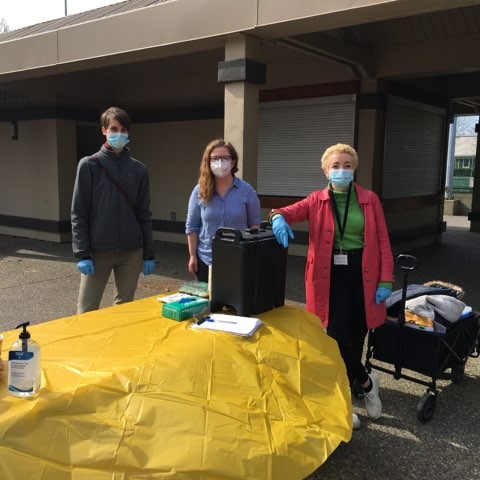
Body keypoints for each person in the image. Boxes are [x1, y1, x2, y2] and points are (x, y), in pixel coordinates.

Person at [268, 143, 394, 430]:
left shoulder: (370, 200)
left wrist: (386, 278)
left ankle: (348, 393)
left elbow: (384, 242)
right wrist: (276, 218)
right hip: (330, 276)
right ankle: (367, 382)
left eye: (347, 165)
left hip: (364, 272)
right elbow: (284, 212)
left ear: (354, 169)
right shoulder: (316, 200)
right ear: (325, 170)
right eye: (335, 166)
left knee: (357, 333)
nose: (341, 170)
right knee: (337, 335)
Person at [71, 106, 155, 314]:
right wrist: (82, 254)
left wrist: (148, 254)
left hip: (131, 252)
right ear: (104, 130)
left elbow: (144, 214)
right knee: (87, 311)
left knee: (123, 311)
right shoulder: (89, 165)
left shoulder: (138, 170)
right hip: (98, 251)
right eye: (114, 129)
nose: (119, 134)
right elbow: (78, 212)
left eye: (124, 130)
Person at [185, 139, 262, 282]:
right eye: (214, 158)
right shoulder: (199, 191)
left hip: (238, 261)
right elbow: (192, 226)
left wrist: (251, 254)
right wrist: (192, 255)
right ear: (208, 162)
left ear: (232, 162)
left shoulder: (247, 191)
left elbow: (255, 224)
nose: (220, 163)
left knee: (234, 303)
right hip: (206, 260)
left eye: (224, 158)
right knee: (208, 303)